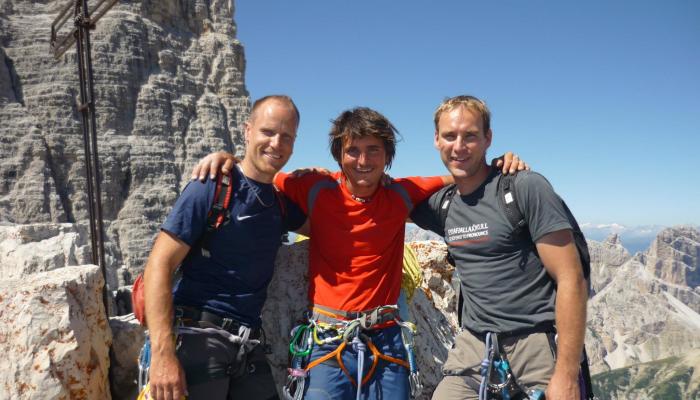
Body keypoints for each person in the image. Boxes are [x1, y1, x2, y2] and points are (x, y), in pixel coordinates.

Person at [193, 106, 528, 400]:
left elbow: (464, 174)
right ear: (339, 154)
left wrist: (501, 165)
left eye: (374, 150)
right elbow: (260, 173)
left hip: (387, 340)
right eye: (353, 150)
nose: (364, 161)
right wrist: (230, 161)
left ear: (387, 156)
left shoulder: (402, 193)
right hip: (327, 339)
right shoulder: (314, 187)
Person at [410, 95, 588, 400]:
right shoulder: (443, 203)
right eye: (450, 136)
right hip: (475, 345)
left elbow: (571, 278)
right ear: (437, 140)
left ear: (488, 138)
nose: (459, 146)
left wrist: (567, 374)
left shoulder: (524, 187)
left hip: (535, 343)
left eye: (470, 136)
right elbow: (378, 193)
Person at [143, 95, 308, 400]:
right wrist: (163, 356)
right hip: (197, 340)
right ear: (248, 131)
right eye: (268, 132)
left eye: (287, 137)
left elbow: (332, 223)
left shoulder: (279, 204)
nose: (276, 143)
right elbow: (159, 265)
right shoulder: (211, 186)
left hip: (247, 347)